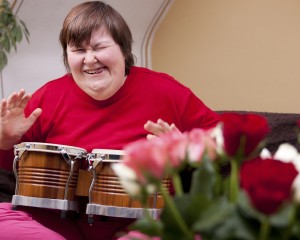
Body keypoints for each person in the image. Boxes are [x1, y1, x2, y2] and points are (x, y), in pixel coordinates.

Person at [0, 1, 219, 239]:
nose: (90, 59)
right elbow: (12, 169)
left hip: (142, 228)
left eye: (99, 47)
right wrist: (5, 140)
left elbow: (225, 140)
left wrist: (188, 148)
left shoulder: (166, 91)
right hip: (57, 226)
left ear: (123, 50)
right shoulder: (47, 96)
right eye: (79, 50)